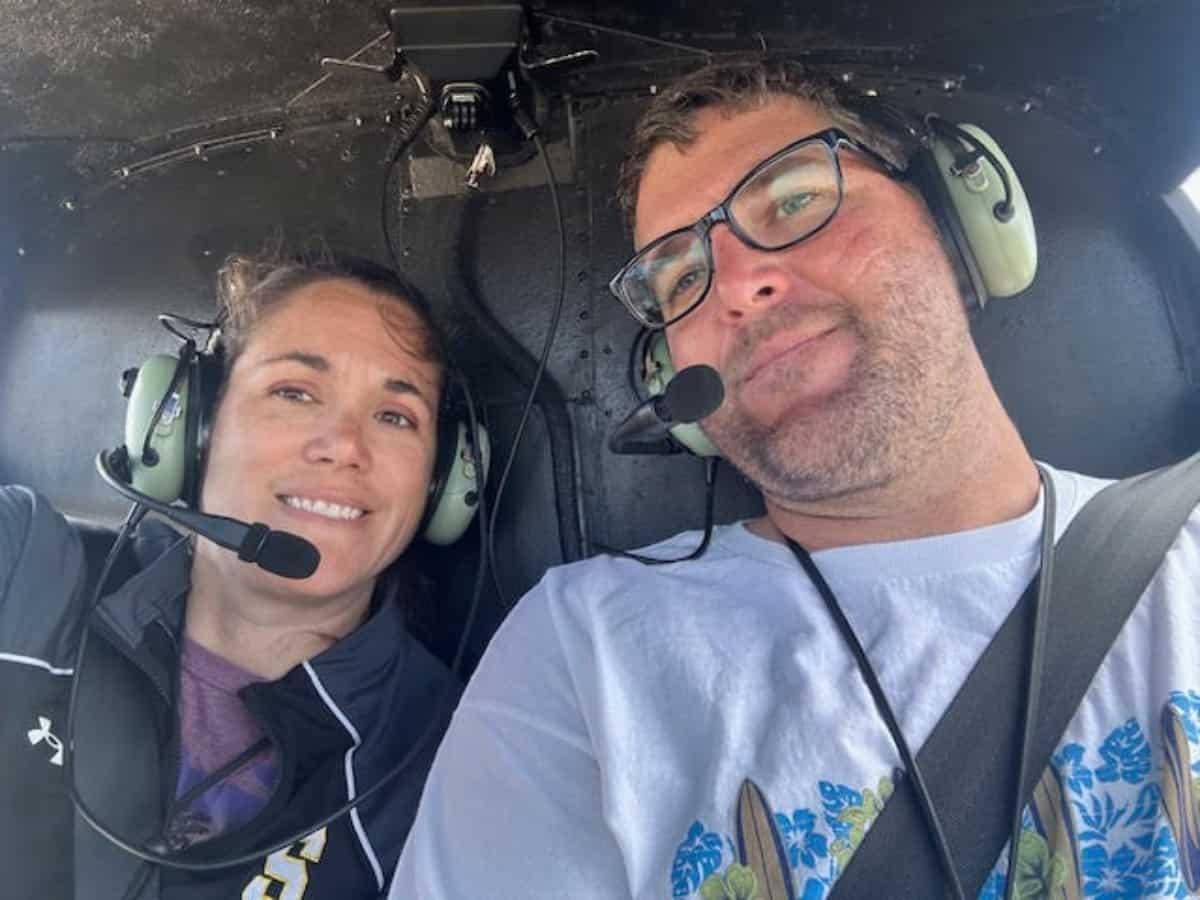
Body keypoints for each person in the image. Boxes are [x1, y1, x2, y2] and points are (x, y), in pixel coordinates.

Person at [391, 59, 1200, 899]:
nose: (739, 285)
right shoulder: (584, 654)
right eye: (681, 276)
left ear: (956, 228)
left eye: (793, 201)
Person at [1, 251, 463, 899]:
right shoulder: (23, 574)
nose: (345, 445)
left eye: (396, 416)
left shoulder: (457, 760)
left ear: (444, 484)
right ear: (192, 424)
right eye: (295, 392)